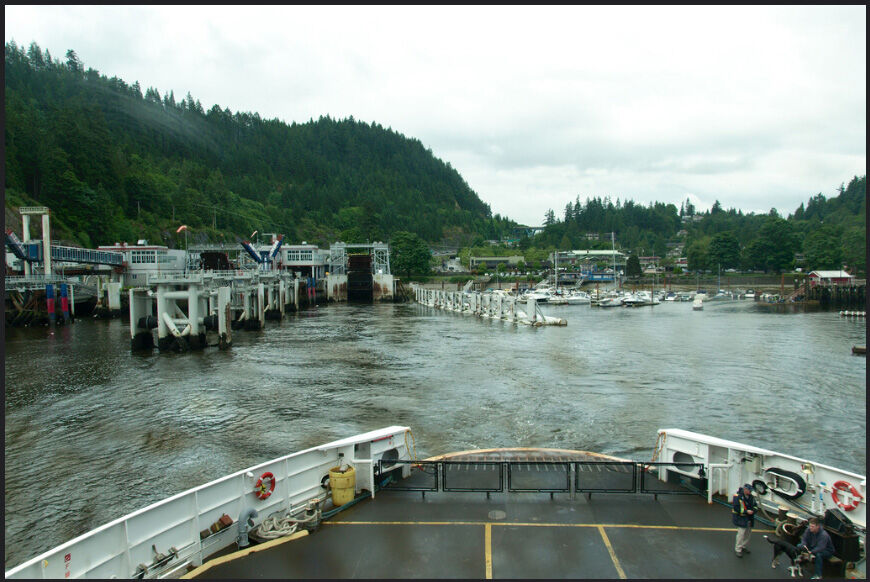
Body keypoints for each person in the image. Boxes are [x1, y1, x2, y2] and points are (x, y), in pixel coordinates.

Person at [732, 483, 757, 557]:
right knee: (741, 534)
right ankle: (738, 549)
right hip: (741, 519)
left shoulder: (751, 497)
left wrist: (753, 511)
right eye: (750, 490)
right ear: (745, 490)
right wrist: (746, 511)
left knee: (747, 534)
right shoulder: (738, 497)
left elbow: (755, 506)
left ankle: (743, 546)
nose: (751, 492)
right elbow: (736, 508)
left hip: (749, 518)